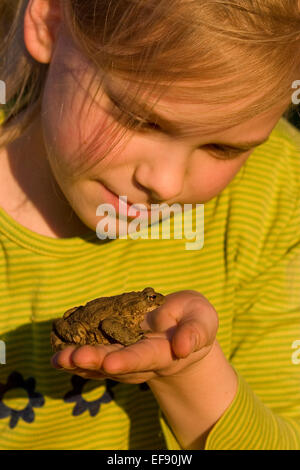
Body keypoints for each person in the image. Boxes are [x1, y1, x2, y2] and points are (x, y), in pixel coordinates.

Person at [0, 0, 299, 450]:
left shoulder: (278, 192)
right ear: (49, 21)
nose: (164, 182)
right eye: (140, 118)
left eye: (222, 147)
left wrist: (189, 372)